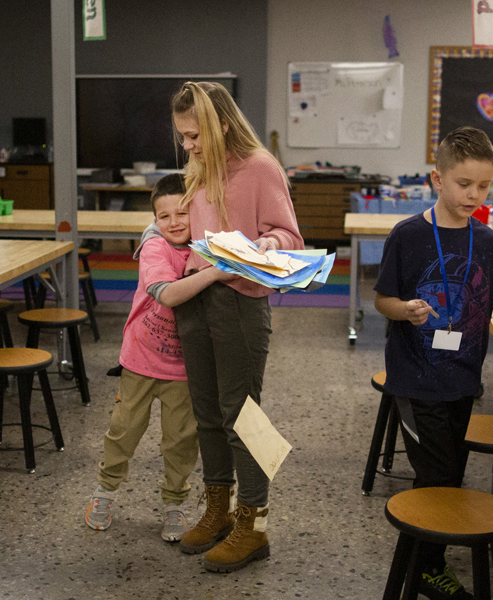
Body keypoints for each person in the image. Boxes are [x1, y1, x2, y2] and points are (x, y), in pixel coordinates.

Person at [374, 127, 493, 600]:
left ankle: (427, 556)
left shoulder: (488, 242)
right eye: (464, 184)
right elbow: (382, 299)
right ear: (437, 179)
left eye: (484, 186)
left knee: (450, 473)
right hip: (416, 382)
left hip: (462, 380)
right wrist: (405, 310)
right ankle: (425, 568)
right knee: (437, 478)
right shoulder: (408, 235)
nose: (474, 195)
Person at [170, 81, 304, 573]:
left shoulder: (260, 167)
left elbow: (289, 233)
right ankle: (219, 511)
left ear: (221, 125)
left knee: (244, 418)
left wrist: (270, 243)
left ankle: (254, 525)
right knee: (208, 414)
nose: (188, 146)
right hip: (199, 297)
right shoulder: (200, 169)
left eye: (194, 135)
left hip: (241, 305)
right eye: (183, 137)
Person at [85, 174, 235, 542]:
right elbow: (166, 294)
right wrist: (215, 272)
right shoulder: (155, 248)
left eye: (182, 212)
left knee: (182, 440)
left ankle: (174, 504)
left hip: (185, 369)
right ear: (154, 220)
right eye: (163, 216)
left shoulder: (206, 244)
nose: (174, 223)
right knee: (124, 430)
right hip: (140, 360)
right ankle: (105, 492)